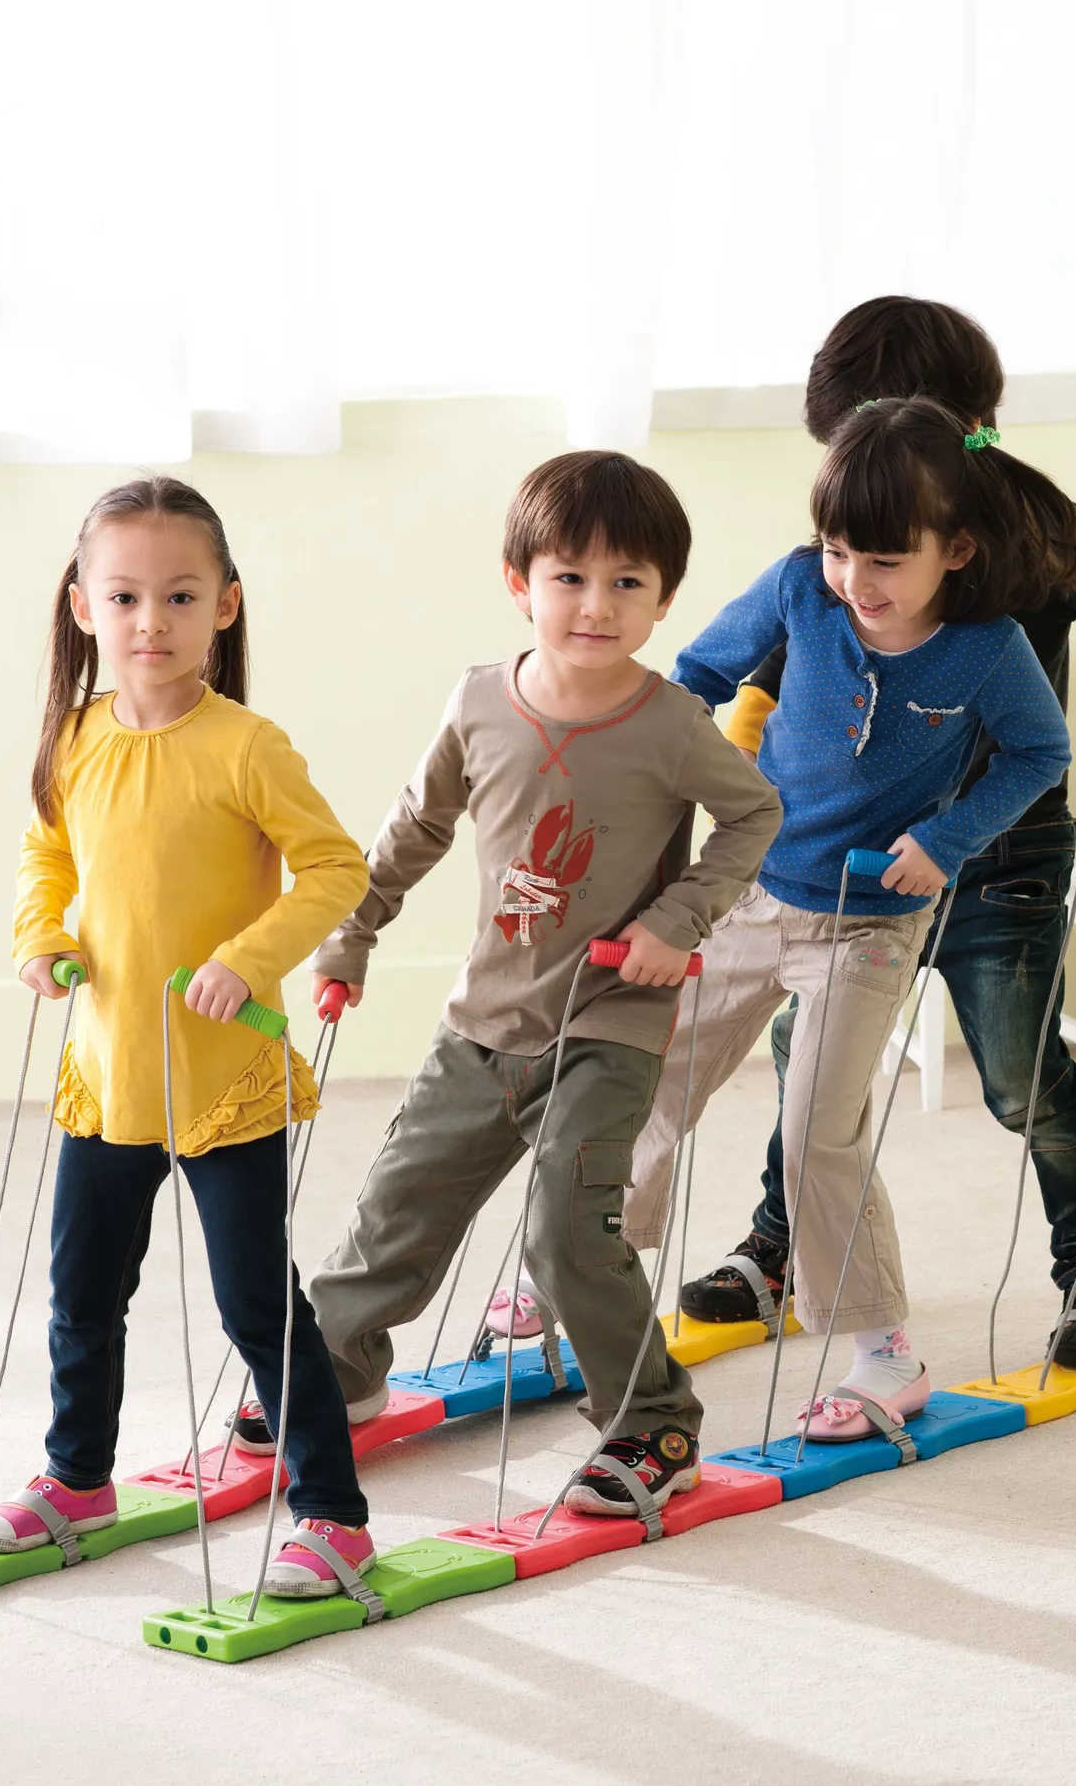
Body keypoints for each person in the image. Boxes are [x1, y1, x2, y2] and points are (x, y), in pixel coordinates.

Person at [682, 297, 1076, 1371]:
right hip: (845, 871)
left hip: (998, 857)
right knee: (808, 1064)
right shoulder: (855, 548)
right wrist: (749, 723)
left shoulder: (1037, 534)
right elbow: (808, 638)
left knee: (1020, 1077)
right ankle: (781, 1246)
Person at [301, 451, 783, 1519]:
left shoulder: (671, 726)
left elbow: (756, 813)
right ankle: (340, 1367)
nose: (597, 605)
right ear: (519, 582)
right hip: (486, 1018)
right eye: (570, 577)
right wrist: (352, 935)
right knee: (396, 1208)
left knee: (568, 1234)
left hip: (610, 1020)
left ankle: (653, 1423)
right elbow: (415, 828)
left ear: (663, 599)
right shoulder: (480, 700)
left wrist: (676, 921)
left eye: (627, 582)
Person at [621, 397, 1073, 1441]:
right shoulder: (799, 589)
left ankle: (886, 1355)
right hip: (752, 892)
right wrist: (672, 769)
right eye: (837, 552)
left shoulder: (989, 650)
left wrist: (948, 840)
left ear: (955, 550)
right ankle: (584, 1278)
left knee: (817, 1130)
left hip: (870, 925)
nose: (855, 581)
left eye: (884, 561)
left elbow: (1039, 754)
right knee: (645, 1078)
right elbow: (696, 676)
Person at [0, 476, 380, 1603]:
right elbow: (46, 855)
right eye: (125, 596)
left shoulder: (246, 746)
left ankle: (333, 1517)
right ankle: (76, 1481)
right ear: (83, 606)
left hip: (220, 1077)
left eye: (181, 596)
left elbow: (335, 868)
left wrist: (247, 957)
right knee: (82, 1295)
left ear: (225, 606)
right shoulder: (74, 739)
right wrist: (41, 936)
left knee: (257, 1307)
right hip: (108, 1074)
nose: (151, 621)